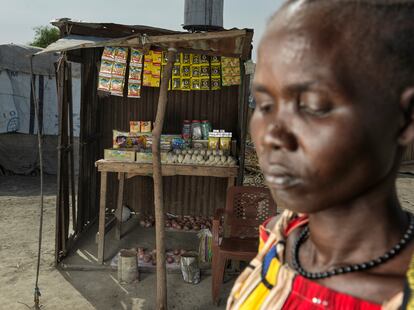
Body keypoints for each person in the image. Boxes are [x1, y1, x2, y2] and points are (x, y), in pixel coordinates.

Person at [227, 0, 414, 309]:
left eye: (312, 106)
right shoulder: (278, 238)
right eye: (264, 105)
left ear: (405, 117)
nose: (272, 135)